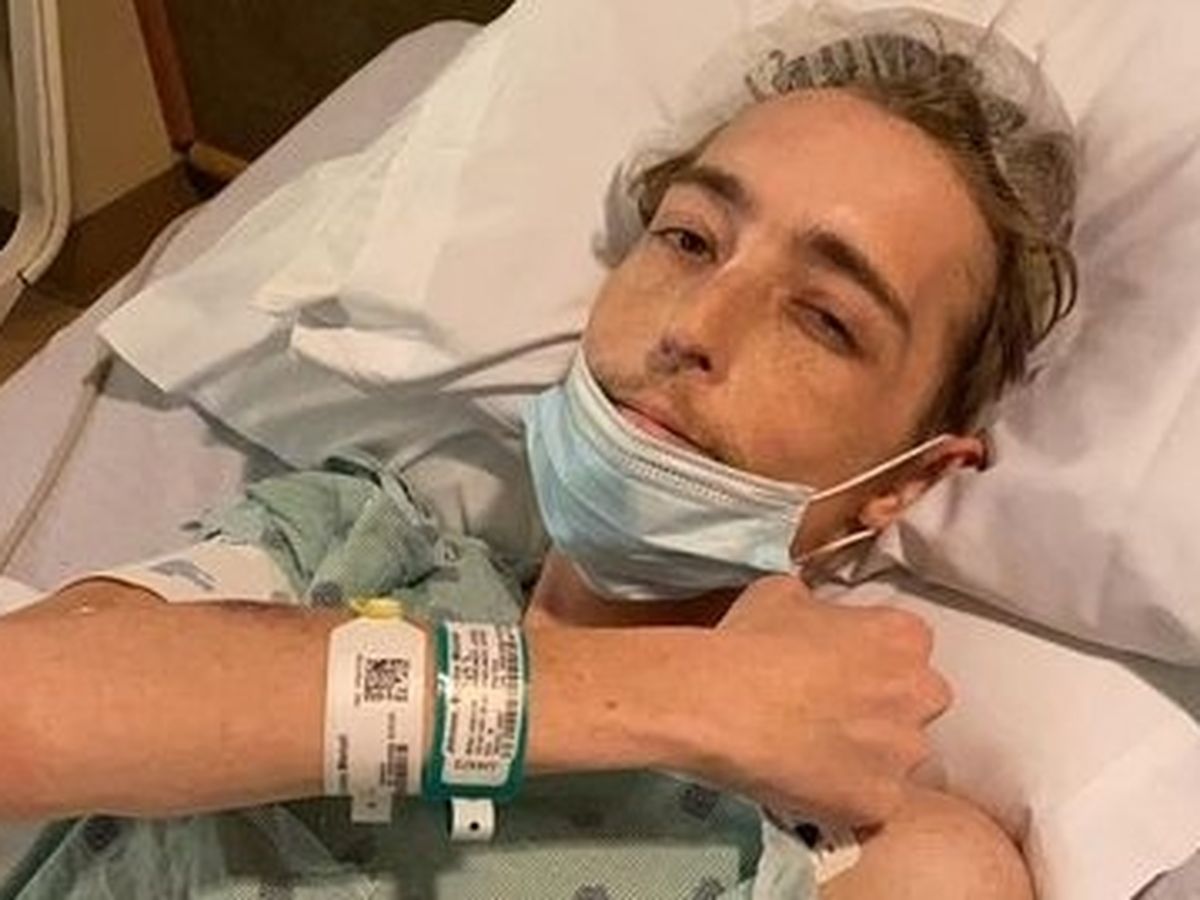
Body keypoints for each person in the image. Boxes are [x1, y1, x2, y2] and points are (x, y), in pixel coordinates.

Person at [0, 18, 1076, 900]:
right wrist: (700, 697)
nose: (695, 324)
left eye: (826, 318)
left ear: (903, 483)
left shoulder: (853, 849)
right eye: (690, 239)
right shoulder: (355, 541)